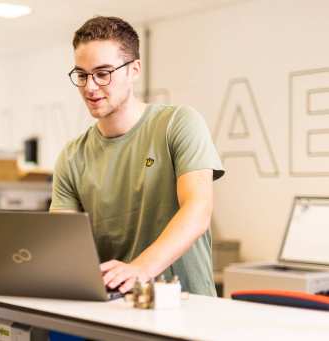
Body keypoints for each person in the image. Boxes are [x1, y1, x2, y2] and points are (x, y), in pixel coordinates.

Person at [50, 16, 225, 296]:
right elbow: (62, 241)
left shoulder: (178, 123)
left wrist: (140, 268)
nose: (90, 87)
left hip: (184, 304)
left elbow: (198, 210)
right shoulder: (72, 156)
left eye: (103, 73)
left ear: (134, 69)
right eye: (82, 75)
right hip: (113, 310)